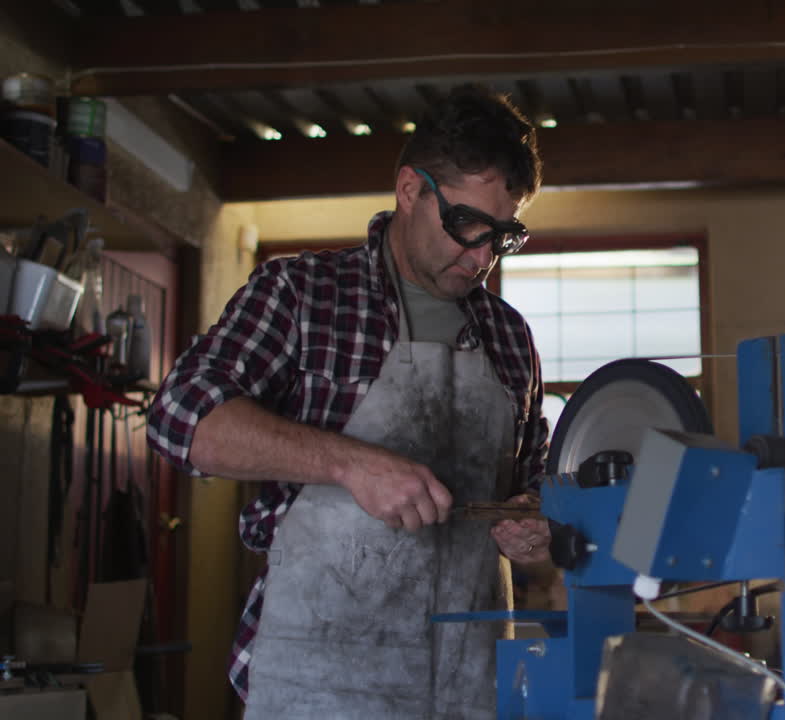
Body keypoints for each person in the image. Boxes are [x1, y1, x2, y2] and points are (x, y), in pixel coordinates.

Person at [146, 84, 552, 719]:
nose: (481, 258)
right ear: (411, 190)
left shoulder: (509, 337)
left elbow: (534, 489)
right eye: (467, 226)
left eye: (502, 236)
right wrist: (350, 463)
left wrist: (533, 528)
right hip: (320, 683)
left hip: (468, 689)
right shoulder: (303, 294)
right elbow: (183, 417)